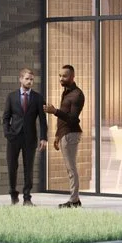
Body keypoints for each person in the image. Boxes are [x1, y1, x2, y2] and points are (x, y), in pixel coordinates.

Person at [2, 67, 46, 206]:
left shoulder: (38, 98)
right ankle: (13, 194)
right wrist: (7, 133)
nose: (29, 81)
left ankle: (27, 197)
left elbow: (43, 120)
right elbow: (6, 118)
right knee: (12, 166)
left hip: (30, 138)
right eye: (27, 79)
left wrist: (43, 138)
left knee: (29, 167)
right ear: (20, 79)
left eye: (31, 79)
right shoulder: (11, 96)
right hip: (14, 137)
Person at [50, 64, 88, 208]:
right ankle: (74, 199)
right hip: (65, 134)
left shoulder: (77, 95)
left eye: (64, 76)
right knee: (69, 168)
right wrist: (57, 135)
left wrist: (55, 111)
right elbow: (63, 120)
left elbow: (72, 119)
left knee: (71, 168)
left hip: (71, 134)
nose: (61, 78)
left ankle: (74, 200)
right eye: (59, 76)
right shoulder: (66, 92)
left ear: (72, 77)